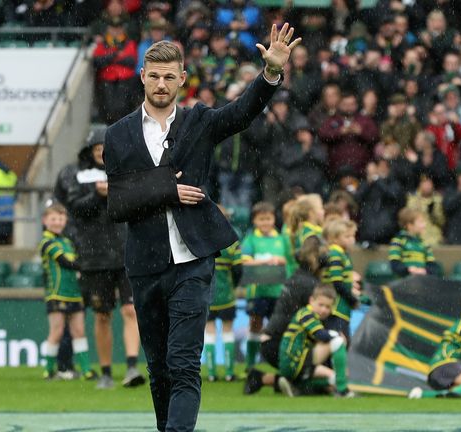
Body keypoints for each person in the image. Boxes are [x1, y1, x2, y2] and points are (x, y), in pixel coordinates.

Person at [103, 24, 300, 431]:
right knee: (159, 369)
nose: (161, 83)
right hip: (145, 264)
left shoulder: (199, 121)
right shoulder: (118, 134)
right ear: (142, 75)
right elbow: (118, 203)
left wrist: (270, 75)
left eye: (169, 76)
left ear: (182, 80)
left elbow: (242, 113)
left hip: (193, 261)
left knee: (183, 364)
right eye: (154, 76)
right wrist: (167, 189)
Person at [63, 125, 144, 390]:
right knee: (102, 315)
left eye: (105, 149)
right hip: (94, 255)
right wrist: (97, 197)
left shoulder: (126, 172)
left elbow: (138, 204)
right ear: (89, 151)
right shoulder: (76, 176)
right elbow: (75, 209)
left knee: (131, 310)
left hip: (125, 252)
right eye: (97, 149)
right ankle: (106, 371)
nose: (101, 153)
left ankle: (132, 367)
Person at [244, 235, 327, 395]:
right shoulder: (308, 284)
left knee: (306, 378)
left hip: (272, 340)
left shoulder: (300, 277)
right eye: (324, 255)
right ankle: (265, 378)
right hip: (277, 343)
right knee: (311, 381)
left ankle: (262, 378)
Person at [38, 204, 96, 381]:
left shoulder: (67, 242)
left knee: (79, 331)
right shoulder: (46, 242)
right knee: (57, 331)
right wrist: (90, 265)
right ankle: (49, 370)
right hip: (57, 292)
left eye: (61, 219)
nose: (57, 222)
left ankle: (86, 370)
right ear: (45, 221)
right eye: (53, 219)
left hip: (74, 292)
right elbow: (65, 262)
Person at [408, 292, 461, 399]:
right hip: (448, 365)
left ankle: (421, 395)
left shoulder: (459, 323)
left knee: (458, 392)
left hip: (434, 371)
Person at [277, 284, 353, 398]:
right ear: (311, 300)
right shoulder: (306, 314)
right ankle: (343, 391)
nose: (324, 310)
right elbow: (321, 335)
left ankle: (298, 387)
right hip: (294, 360)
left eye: (328, 307)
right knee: (337, 341)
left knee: (335, 378)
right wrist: (338, 335)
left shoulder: (316, 317)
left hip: (295, 363)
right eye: (321, 305)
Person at [241, 201, 292, 369]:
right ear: (254, 221)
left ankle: (277, 363)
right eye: (261, 219)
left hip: (277, 291)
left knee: (276, 327)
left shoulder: (281, 239)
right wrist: (264, 261)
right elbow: (244, 261)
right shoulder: (250, 239)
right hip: (257, 291)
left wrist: (280, 260)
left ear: (273, 219)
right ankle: (250, 364)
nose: (265, 222)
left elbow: (290, 261)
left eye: (268, 218)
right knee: (255, 324)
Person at [204, 207, 243, 382]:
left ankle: (211, 374)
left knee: (209, 332)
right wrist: (234, 285)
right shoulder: (232, 241)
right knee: (228, 331)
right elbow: (238, 269)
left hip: (207, 294)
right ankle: (229, 372)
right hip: (227, 294)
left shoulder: (201, 238)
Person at [321, 219, 359, 341]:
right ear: (334, 238)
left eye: (353, 235)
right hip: (335, 306)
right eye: (347, 236)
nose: (352, 239)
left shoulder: (343, 254)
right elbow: (337, 283)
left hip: (342, 306)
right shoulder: (335, 255)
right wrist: (352, 299)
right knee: (339, 341)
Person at [388, 208, 437, 278]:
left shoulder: (424, 243)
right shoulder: (398, 240)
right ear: (409, 225)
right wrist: (408, 270)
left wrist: (424, 270)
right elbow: (395, 263)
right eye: (421, 222)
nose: (424, 225)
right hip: (404, 283)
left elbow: (432, 265)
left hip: (422, 281)